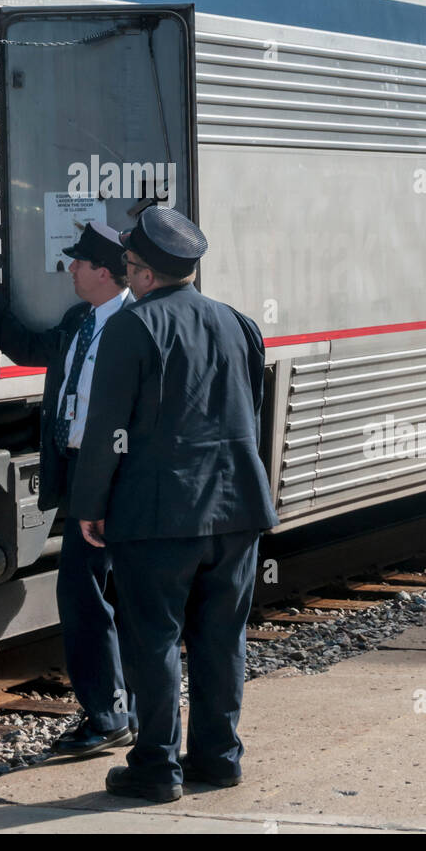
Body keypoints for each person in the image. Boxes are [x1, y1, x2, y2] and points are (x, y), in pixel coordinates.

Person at [71, 206, 278, 803]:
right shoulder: (237, 323)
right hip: (238, 508)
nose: (128, 274)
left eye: (130, 265)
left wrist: (91, 504)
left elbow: (108, 427)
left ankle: (157, 768)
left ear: (144, 272)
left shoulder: (132, 328)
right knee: (221, 637)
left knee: (153, 638)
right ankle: (219, 757)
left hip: (159, 516)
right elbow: (250, 414)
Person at [0, 222, 136, 758]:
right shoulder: (82, 321)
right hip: (81, 476)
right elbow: (33, 349)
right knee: (96, 594)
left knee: (89, 595)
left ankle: (109, 715)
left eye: (79, 262)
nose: (70, 269)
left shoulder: (137, 324)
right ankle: (122, 709)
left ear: (104, 272)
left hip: (116, 479)